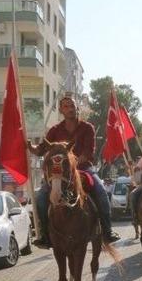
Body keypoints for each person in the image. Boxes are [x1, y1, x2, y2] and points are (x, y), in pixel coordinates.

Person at [27, 94, 120, 248]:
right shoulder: (54, 130)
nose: (70, 109)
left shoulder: (87, 127)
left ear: (77, 108)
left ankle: (107, 230)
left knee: (101, 192)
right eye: (66, 106)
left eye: (72, 106)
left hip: (84, 169)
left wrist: (72, 162)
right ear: (61, 110)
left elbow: (88, 153)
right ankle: (45, 235)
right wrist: (31, 146)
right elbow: (42, 149)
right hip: (59, 173)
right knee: (41, 198)